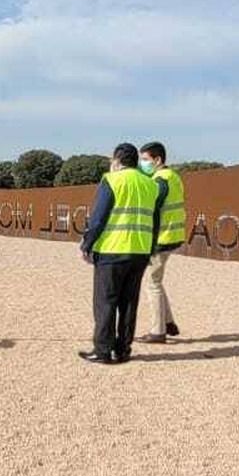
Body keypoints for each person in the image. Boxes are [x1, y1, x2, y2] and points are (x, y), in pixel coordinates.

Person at [77, 144, 166, 365]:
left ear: (117, 161)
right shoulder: (150, 185)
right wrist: (151, 247)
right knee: (128, 302)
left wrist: (86, 244)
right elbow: (155, 222)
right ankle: (123, 349)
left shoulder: (112, 180)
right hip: (140, 251)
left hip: (112, 249)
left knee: (105, 301)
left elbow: (98, 218)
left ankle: (103, 350)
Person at [137, 141, 185, 344]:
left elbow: (153, 211)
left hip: (161, 238)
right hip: (173, 235)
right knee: (157, 280)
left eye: (146, 159)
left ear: (158, 159)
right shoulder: (173, 177)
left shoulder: (159, 180)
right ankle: (169, 323)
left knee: (152, 284)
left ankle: (158, 331)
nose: (142, 164)